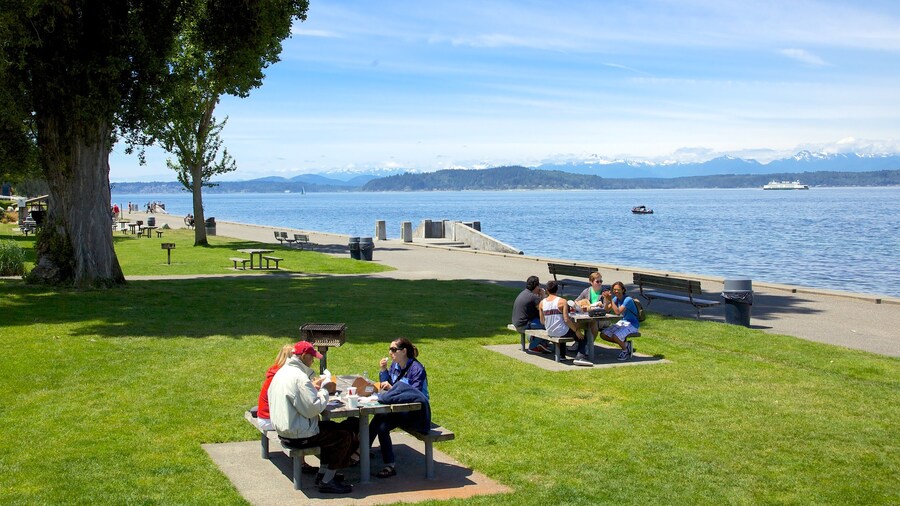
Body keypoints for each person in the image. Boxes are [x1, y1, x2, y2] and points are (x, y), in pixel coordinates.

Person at [268, 341, 356, 494]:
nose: (313, 360)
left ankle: (323, 474)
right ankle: (327, 481)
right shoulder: (299, 378)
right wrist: (325, 391)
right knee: (343, 436)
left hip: (286, 430)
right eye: (312, 357)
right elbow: (313, 408)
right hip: (299, 435)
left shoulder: (283, 372)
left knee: (333, 428)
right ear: (303, 356)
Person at [369, 337, 429, 478]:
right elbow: (389, 382)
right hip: (399, 408)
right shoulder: (395, 365)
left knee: (382, 425)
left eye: (394, 350)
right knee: (379, 417)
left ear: (404, 351)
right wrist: (383, 370)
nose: (390, 353)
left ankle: (386, 464)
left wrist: (393, 388)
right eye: (390, 349)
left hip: (415, 412)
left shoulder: (417, 369)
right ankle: (363, 452)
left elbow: (415, 394)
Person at [256, 344, 318, 475]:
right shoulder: (286, 376)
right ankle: (302, 464)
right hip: (270, 418)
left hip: (268, 415)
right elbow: (309, 407)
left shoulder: (278, 372)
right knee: (301, 421)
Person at [540, 280, 590, 366]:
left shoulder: (542, 303)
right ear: (557, 289)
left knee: (562, 329)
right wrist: (576, 331)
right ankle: (580, 357)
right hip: (561, 331)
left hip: (549, 331)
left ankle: (562, 355)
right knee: (582, 337)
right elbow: (566, 320)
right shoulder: (562, 302)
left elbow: (542, 321)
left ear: (547, 290)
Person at [511, 275, 552, 353]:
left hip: (517, 321)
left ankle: (541, 343)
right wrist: (543, 295)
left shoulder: (524, 293)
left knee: (541, 322)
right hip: (524, 324)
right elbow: (544, 309)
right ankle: (533, 346)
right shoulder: (533, 297)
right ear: (536, 287)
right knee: (548, 326)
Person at [601, 281, 639, 361]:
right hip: (623, 322)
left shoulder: (628, 300)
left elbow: (618, 312)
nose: (616, 291)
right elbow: (606, 309)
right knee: (603, 334)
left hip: (632, 324)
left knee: (616, 336)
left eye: (618, 289)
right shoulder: (616, 299)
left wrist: (611, 300)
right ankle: (625, 344)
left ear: (623, 290)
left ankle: (625, 350)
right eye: (614, 289)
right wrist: (607, 300)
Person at [575, 272, 605, 338]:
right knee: (573, 322)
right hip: (586, 315)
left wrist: (600, 306)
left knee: (593, 322)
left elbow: (606, 308)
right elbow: (576, 302)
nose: (600, 283)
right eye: (597, 281)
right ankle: (579, 342)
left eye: (601, 281)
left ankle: (589, 344)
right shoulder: (587, 291)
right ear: (591, 282)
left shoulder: (604, 293)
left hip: (600, 318)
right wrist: (582, 305)